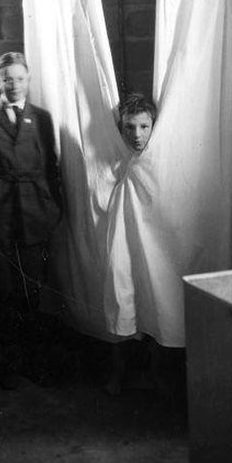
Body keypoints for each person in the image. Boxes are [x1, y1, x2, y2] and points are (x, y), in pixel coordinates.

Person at [0, 52, 62, 389]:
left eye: (20, 78)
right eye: (8, 79)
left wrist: (52, 209)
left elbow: (51, 167)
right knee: (2, 291)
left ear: (29, 79)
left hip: (34, 212)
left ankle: (34, 362)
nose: (14, 85)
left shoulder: (42, 118)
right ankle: (7, 365)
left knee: (31, 292)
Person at [105, 93, 163, 396]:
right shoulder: (114, 155)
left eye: (144, 127)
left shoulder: (160, 158)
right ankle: (118, 371)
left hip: (151, 243)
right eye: (129, 127)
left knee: (154, 299)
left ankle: (154, 372)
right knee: (121, 297)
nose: (137, 135)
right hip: (122, 240)